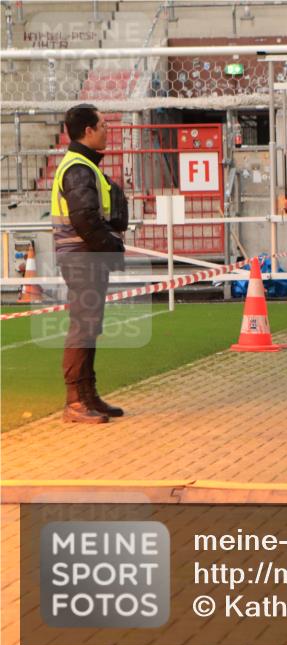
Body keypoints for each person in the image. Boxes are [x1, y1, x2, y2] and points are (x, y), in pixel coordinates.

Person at [52, 104, 129, 424]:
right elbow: (84, 218)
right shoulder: (79, 168)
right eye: (103, 125)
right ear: (88, 131)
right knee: (83, 327)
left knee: (89, 326)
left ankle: (87, 395)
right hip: (83, 256)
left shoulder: (83, 165)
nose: (107, 129)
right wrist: (112, 247)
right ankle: (75, 400)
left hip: (86, 255)